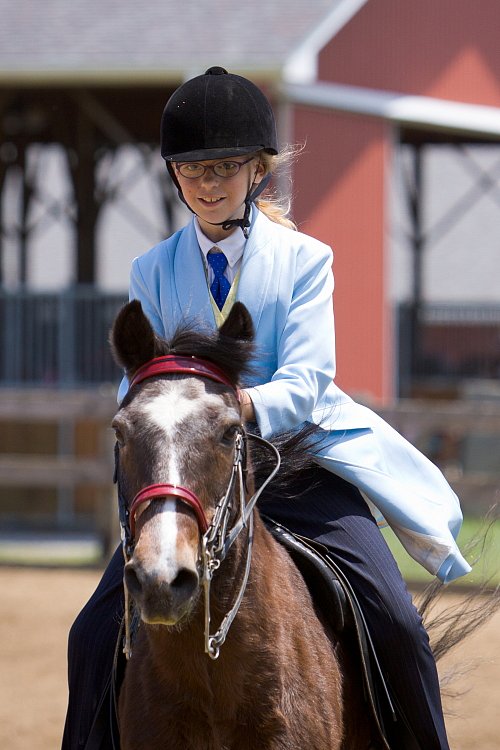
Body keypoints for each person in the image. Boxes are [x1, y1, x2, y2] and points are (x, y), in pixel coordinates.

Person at [63, 66, 471, 750]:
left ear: (258, 170)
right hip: (194, 478)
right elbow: (142, 384)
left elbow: (309, 381)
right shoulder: (152, 270)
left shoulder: (307, 260)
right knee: (90, 635)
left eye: (223, 166)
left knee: (395, 622)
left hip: (297, 468)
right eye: (190, 169)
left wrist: (232, 410)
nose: (206, 182)